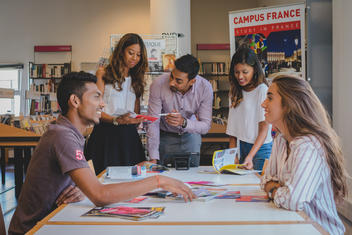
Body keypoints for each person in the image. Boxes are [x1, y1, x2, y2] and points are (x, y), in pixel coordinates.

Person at [8, 72, 195, 235]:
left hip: (52, 222)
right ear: (75, 101)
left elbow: (87, 183)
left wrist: (82, 186)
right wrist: (158, 181)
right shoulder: (63, 136)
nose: (103, 104)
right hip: (35, 230)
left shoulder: (67, 132)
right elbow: (100, 196)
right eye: (97, 97)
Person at [261, 75, 347, 235]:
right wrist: (278, 189)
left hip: (319, 230)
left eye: (270, 98)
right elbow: (266, 179)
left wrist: (273, 190)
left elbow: (294, 201)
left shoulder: (308, 145)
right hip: (294, 225)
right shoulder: (280, 140)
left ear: (289, 104)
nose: (263, 104)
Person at [85, 33, 148, 174]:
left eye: (138, 55)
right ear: (121, 51)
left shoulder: (136, 79)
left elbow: (135, 113)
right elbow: (95, 108)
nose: (134, 58)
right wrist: (115, 120)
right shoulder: (103, 73)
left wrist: (138, 119)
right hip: (105, 134)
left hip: (128, 137)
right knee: (102, 178)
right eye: (131, 53)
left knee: (131, 181)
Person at [146, 54, 213, 167]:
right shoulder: (158, 84)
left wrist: (184, 122)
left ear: (192, 81)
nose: (172, 82)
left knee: (191, 177)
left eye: (178, 81)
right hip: (165, 137)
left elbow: (205, 126)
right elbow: (153, 121)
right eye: (172, 76)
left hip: (191, 136)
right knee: (164, 178)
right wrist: (153, 157)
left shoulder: (205, 88)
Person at [226, 47, 272, 171]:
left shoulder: (262, 90)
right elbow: (232, 130)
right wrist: (233, 154)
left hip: (261, 148)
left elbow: (264, 129)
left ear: (254, 70)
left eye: (245, 72)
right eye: (236, 72)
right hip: (243, 146)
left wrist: (250, 156)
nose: (240, 76)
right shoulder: (235, 92)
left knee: (260, 186)